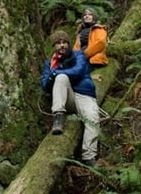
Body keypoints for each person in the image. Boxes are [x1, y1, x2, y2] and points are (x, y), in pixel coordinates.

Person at [41, 30, 100, 167]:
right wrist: (53, 75)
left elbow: (78, 71)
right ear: (54, 46)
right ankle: (58, 117)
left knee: (93, 118)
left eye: (64, 42)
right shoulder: (49, 63)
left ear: (69, 44)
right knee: (61, 78)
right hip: (67, 99)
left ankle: (89, 156)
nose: (62, 45)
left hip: (84, 94)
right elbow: (44, 85)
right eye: (58, 43)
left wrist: (55, 72)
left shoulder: (79, 55)